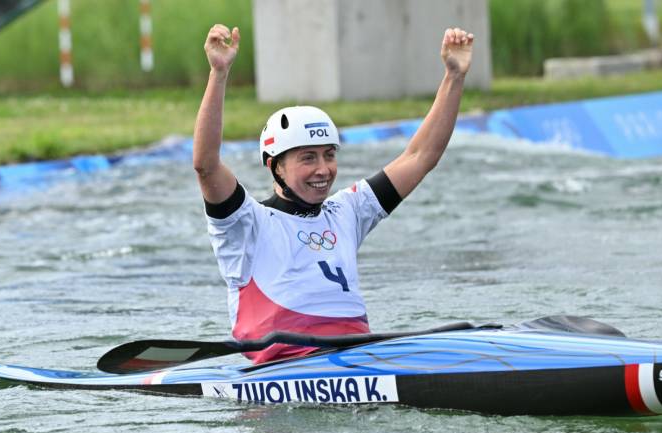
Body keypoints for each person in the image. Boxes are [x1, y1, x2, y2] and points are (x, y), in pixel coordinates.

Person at [193, 24, 474, 364]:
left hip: (357, 359)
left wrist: (454, 77)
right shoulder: (246, 224)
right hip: (282, 372)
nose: (323, 169)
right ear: (275, 166)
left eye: (329, 155)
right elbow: (206, 166)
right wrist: (219, 73)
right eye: (308, 158)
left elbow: (420, 157)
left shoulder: (347, 211)